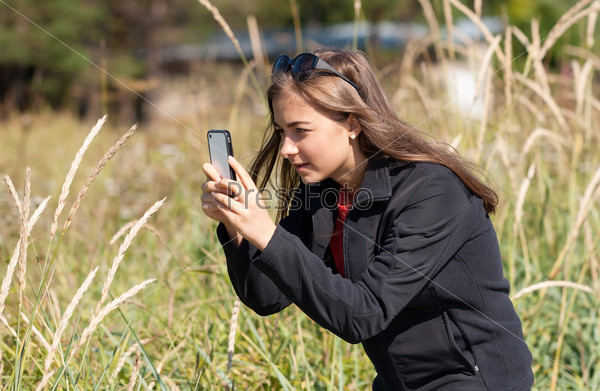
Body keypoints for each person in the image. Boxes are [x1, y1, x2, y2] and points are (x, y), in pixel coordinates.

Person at [201, 49, 534, 390]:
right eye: (282, 130)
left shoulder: (433, 192)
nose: (286, 148)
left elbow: (363, 314)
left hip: (474, 380)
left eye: (300, 130)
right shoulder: (323, 192)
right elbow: (266, 296)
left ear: (352, 124)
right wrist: (237, 227)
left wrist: (268, 233)